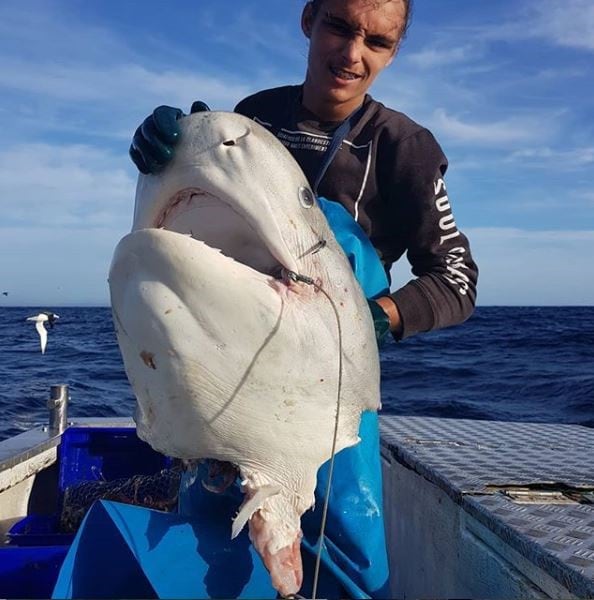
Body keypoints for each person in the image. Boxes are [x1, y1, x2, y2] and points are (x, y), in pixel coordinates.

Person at [128, 0, 478, 596]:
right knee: (213, 545)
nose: (352, 53)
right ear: (308, 20)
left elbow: (457, 280)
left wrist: (374, 316)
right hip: (225, 367)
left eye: (377, 41)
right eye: (340, 27)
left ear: (394, 51)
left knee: (345, 555)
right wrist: (181, 154)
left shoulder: (403, 147)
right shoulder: (256, 115)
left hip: (330, 384)